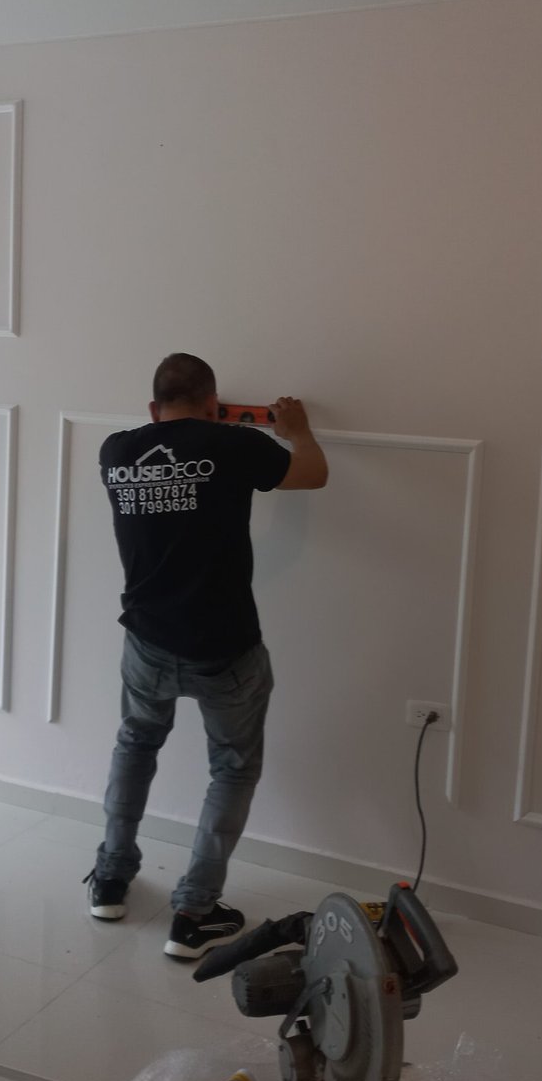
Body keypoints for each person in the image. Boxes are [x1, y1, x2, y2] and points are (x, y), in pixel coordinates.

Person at [85, 353, 329, 960]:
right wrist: (297, 432)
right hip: (225, 651)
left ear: (153, 408)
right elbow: (312, 474)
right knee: (233, 770)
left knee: (135, 744)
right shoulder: (233, 445)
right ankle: (193, 914)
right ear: (215, 406)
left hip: (146, 642)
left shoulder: (116, 452)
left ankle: (111, 879)